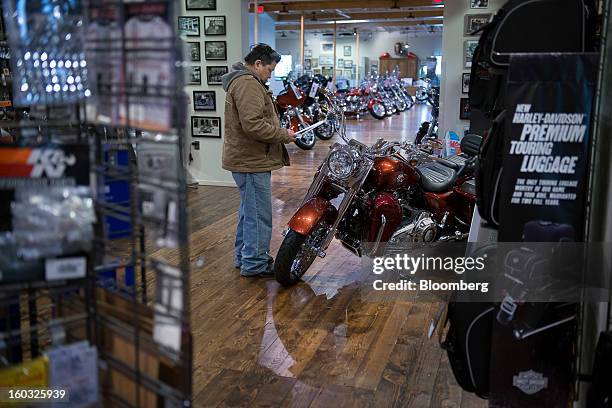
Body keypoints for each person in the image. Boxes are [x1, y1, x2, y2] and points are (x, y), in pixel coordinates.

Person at [221, 43, 296, 277]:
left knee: (249, 212)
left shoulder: (246, 82)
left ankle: (245, 258)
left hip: (250, 159)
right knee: (258, 215)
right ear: (257, 64)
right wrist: (284, 135)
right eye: (269, 70)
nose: (270, 74)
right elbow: (253, 125)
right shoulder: (247, 84)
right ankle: (254, 264)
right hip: (251, 161)